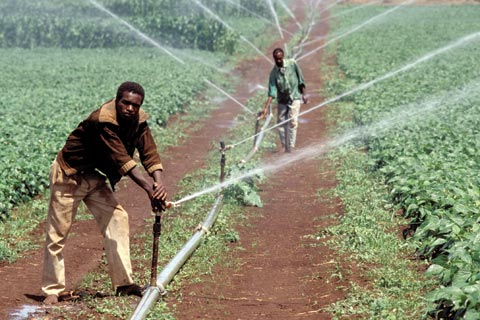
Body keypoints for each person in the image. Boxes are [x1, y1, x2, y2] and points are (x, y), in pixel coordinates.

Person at [41, 81, 167, 305]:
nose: (130, 108)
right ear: (117, 100)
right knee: (57, 233)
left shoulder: (139, 122)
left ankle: (124, 283)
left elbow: (150, 154)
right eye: (125, 103)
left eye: (135, 105)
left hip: (91, 175)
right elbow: (123, 161)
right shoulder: (102, 121)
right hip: (68, 174)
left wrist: (159, 185)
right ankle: (53, 289)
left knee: (118, 218)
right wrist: (150, 189)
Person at [259, 47, 308, 152]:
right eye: (276, 59)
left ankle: (291, 146)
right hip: (282, 99)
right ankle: (283, 145)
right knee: (281, 123)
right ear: (274, 58)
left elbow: (301, 79)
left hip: (295, 96)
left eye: (280, 58)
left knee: (293, 122)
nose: (278, 61)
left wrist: (303, 94)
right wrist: (265, 108)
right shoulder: (273, 73)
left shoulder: (292, 64)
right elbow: (271, 92)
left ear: (283, 56)